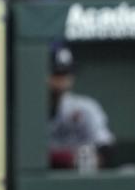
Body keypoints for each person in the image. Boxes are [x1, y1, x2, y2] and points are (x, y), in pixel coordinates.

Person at [46, 41, 115, 170]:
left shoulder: (85, 107)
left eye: (67, 72)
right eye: (57, 73)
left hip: (78, 178)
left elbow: (106, 148)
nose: (63, 79)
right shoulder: (24, 110)